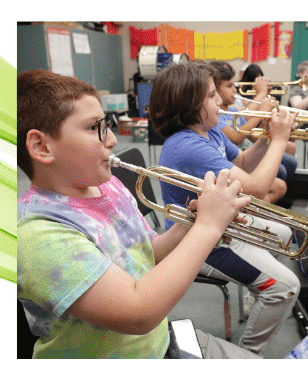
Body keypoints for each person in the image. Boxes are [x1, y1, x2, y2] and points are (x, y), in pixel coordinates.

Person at [17, 69, 256, 359]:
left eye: (107, 125)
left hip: (161, 344)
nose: (113, 140)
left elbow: (146, 254)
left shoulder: (108, 186)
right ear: (41, 147)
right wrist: (209, 226)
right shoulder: (40, 235)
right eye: (94, 128)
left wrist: (190, 226)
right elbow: (138, 313)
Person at [149, 62, 302, 354]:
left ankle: (255, 292)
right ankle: (248, 354)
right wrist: (281, 140)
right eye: (210, 95)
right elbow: (256, 188)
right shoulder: (187, 146)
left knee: (284, 234)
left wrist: (266, 139)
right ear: (189, 104)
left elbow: (243, 162)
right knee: (287, 287)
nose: (220, 99)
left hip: (224, 226)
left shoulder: (209, 132)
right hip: (203, 243)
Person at [208, 61, 296, 190]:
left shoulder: (232, 111)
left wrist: (268, 128)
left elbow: (253, 136)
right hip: (232, 166)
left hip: (242, 157)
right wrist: (261, 110)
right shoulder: (216, 117)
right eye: (229, 86)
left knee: (290, 163)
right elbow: (236, 137)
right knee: (281, 174)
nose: (235, 90)